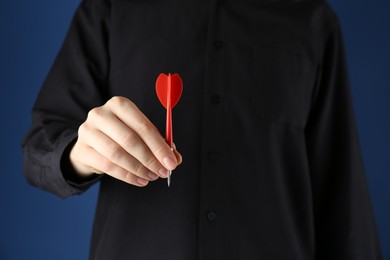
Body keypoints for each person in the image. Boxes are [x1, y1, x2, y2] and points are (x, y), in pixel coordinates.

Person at [22, 0, 382, 259]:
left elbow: (341, 186)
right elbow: (40, 147)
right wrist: (78, 154)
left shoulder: (312, 21)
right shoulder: (111, 8)